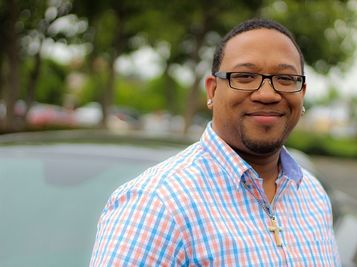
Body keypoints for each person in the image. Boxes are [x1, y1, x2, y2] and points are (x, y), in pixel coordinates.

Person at [90, 18, 341, 266]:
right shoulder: (157, 204)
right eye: (245, 76)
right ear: (212, 90)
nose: (267, 94)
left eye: (286, 79)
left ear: (302, 93)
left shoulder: (312, 195)